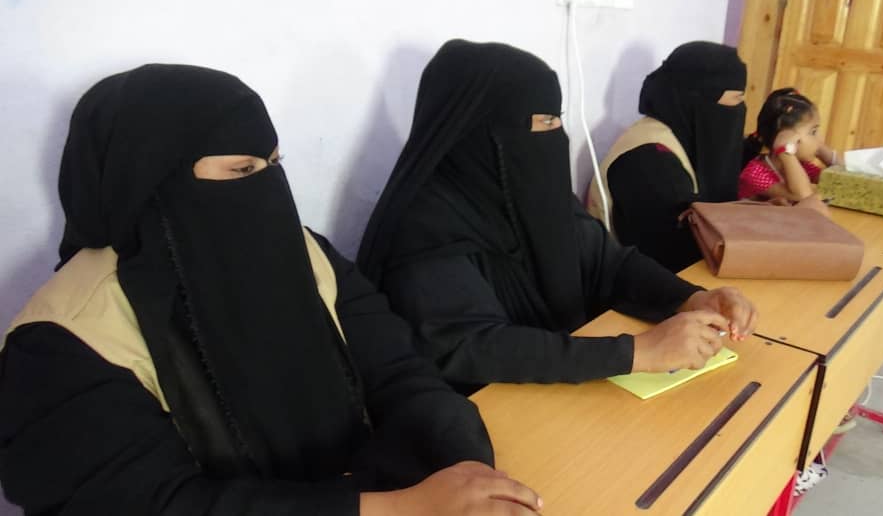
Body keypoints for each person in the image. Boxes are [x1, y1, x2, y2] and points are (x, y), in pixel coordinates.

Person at [0, 65, 543, 516]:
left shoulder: (300, 252)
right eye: (242, 169)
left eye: (274, 164)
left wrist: (467, 469)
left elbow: (401, 372)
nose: (268, 188)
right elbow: (152, 503)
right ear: (151, 181)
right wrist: (399, 509)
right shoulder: (62, 340)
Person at [357, 40, 757, 395]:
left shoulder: (528, 190)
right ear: (481, 131)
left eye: (558, 119)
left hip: (559, 390)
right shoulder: (423, 226)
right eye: (545, 122)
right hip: (488, 412)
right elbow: (472, 346)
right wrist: (637, 352)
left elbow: (609, 265)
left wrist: (689, 297)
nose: (556, 134)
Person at [587, 42, 747, 272]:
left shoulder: (677, 135)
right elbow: (675, 254)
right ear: (701, 97)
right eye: (737, 99)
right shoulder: (649, 161)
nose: (741, 108)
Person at [739, 88, 838, 209]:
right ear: (787, 139)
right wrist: (785, 151)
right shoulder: (755, 173)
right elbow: (803, 195)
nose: (820, 138)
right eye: (813, 132)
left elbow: (839, 182)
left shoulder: (801, 166)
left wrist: (821, 149)